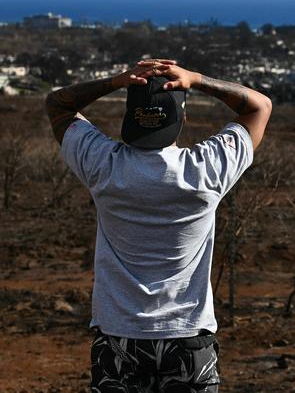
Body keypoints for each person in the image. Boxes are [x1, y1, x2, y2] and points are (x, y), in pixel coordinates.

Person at [45, 59, 272, 392]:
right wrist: (196, 79)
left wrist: (117, 81)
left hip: (118, 337)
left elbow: (58, 104)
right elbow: (259, 106)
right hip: (188, 336)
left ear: (128, 117)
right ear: (183, 118)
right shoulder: (206, 169)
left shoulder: (103, 165)